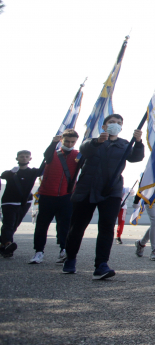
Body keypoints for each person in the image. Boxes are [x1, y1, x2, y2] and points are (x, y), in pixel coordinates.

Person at [62, 114, 144, 279]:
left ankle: (101, 265)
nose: (116, 125)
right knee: (77, 227)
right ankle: (70, 258)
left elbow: (136, 157)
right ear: (104, 125)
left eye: (119, 123)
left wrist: (139, 142)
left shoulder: (124, 144)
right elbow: (85, 150)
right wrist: (98, 141)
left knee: (107, 227)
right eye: (112, 122)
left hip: (111, 191)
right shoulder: (92, 141)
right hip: (87, 189)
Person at [30, 130, 80, 264]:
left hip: (67, 196)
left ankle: (63, 250)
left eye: (72, 142)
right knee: (42, 225)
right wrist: (53, 142)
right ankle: (39, 252)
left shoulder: (78, 155)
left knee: (65, 226)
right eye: (67, 141)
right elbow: (46, 155)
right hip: (47, 195)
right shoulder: (53, 153)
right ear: (61, 140)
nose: (69, 144)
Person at [1, 149, 46, 258]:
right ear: (17, 158)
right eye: (21, 156)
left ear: (30, 158)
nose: (24, 158)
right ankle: (8, 244)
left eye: (26, 156)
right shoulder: (11, 173)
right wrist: (12, 172)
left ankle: (5, 248)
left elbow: (45, 167)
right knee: (9, 224)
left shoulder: (32, 172)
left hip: (24, 202)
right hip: (9, 202)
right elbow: (2, 175)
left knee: (14, 225)